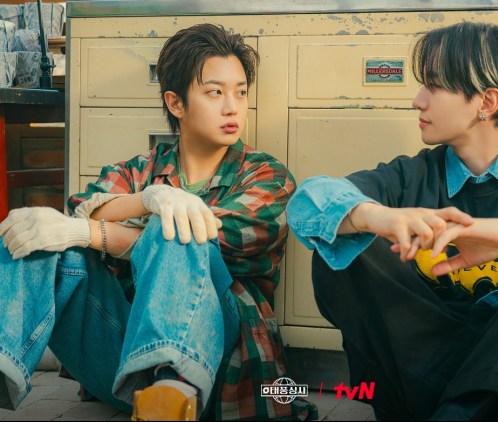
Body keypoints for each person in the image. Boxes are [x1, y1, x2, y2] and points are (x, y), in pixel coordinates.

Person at [287, 21, 498, 420]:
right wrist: (376, 216)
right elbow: (307, 204)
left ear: (486, 102)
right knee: (339, 242)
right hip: (431, 371)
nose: (417, 100)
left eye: (433, 86)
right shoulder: (410, 177)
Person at [0, 23, 316, 421]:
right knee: (35, 233)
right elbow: (84, 207)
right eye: (215, 92)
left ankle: (172, 390)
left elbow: (206, 233)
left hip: (221, 372)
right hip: (124, 365)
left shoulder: (266, 176)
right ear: (176, 103)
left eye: (240, 92)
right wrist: (147, 198)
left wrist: (92, 232)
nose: (232, 107)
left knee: (180, 229)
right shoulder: (140, 171)